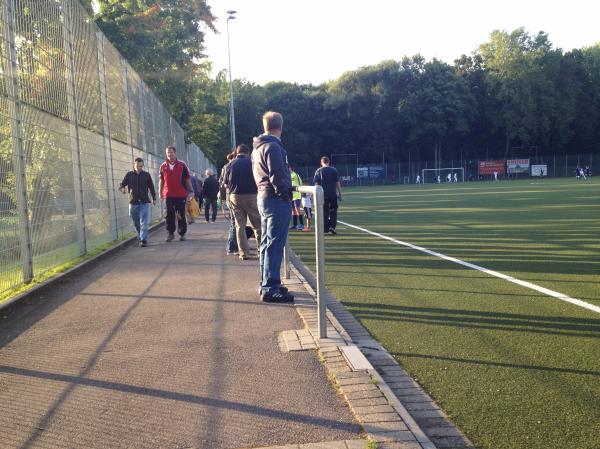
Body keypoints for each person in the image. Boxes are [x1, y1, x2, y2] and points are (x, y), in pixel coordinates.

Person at [252, 111, 294, 303]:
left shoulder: (257, 147)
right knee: (274, 245)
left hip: (263, 196)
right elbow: (277, 175)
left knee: (266, 243)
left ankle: (267, 283)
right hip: (275, 199)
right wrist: (285, 193)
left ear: (265, 126)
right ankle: (270, 287)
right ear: (281, 127)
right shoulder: (274, 147)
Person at [224, 144, 261, 261]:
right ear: (248, 153)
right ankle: (261, 250)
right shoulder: (252, 163)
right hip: (251, 196)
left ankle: (243, 253)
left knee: (239, 226)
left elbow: (226, 183)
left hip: (235, 196)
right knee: (257, 225)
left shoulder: (229, 164)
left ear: (237, 152)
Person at [159, 145, 193, 242]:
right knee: (169, 214)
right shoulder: (163, 166)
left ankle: (182, 233)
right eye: (167, 153)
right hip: (168, 194)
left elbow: (187, 179)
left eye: (171, 152)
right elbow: (161, 180)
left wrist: (191, 191)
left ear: (175, 153)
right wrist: (160, 192)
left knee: (181, 214)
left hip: (181, 194)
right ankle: (170, 233)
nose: (169, 154)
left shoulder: (182, 165)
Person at [119, 157, 156, 247]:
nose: (139, 168)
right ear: (134, 165)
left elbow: (151, 187)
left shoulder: (146, 175)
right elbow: (122, 185)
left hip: (144, 202)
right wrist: (123, 189)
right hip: (133, 202)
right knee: (136, 222)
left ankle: (143, 240)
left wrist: (154, 198)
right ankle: (140, 235)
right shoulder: (129, 175)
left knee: (143, 221)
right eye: (137, 166)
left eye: (141, 166)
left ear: (143, 165)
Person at [313, 156, 342, 235]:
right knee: (333, 211)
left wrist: (315, 195)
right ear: (328, 162)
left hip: (323, 195)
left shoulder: (318, 171)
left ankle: (326, 228)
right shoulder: (334, 170)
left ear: (321, 162)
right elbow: (337, 183)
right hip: (333, 194)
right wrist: (340, 193)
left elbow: (316, 184)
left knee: (324, 212)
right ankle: (332, 227)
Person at [219, 152, 238, 255]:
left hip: (229, 197)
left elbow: (222, 184)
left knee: (234, 223)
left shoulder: (225, 167)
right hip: (232, 197)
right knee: (234, 223)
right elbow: (224, 184)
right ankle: (232, 246)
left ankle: (233, 246)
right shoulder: (228, 167)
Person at [290, 165, 304, 231]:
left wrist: (301, 194)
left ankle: (301, 224)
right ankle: (295, 225)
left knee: (297, 209)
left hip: (297, 195)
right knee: (293, 210)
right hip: (291, 196)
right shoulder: (287, 176)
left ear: (290, 168)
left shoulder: (295, 175)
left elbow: (300, 184)